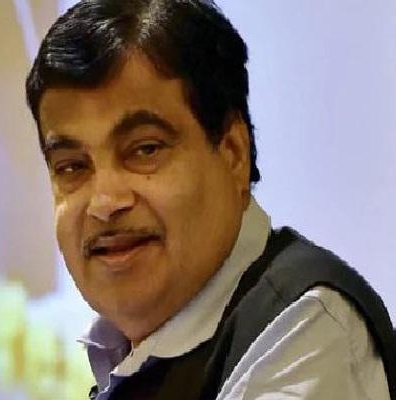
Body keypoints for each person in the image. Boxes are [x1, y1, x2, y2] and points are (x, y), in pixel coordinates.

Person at [25, 0, 396, 398]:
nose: (104, 202)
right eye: (71, 166)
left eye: (145, 149)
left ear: (234, 153)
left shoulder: (306, 332)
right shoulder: (132, 352)